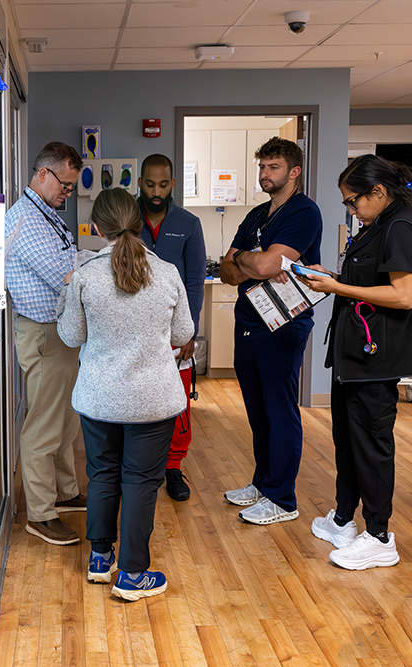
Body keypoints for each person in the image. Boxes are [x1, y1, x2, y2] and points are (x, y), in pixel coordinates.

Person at [57, 188, 193, 601]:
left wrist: (68, 294)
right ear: (137, 221)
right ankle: (133, 574)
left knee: (102, 474)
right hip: (152, 401)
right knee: (141, 481)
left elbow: (71, 335)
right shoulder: (167, 273)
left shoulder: (85, 276)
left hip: (100, 398)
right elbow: (184, 333)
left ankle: (101, 557)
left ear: (97, 228)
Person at [299, 155, 412, 570]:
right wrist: (330, 276)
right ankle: (342, 519)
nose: (351, 210)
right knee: (347, 442)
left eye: (354, 202)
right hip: (352, 357)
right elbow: (366, 280)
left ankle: (379, 535)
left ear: (379, 192)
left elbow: (402, 295)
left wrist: (336, 286)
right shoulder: (375, 226)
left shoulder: (402, 226)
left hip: (377, 361)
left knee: (371, 446)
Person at [219, 137, 322, 524]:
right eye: (262, 166)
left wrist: (247, 259)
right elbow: (228, 271)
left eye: (273, 167)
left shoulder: (304, 213)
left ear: (294, 172)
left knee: (279, 410)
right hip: (248, 323)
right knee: (257, 411)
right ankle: (262, 484)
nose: (265, 173)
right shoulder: (256, 216)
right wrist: (252, 260)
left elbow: (259, 268)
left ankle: (282, 499)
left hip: (282, 326)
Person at [5, 142, 85, 546]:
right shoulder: (26, 221)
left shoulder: (47, 216)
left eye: (71, 188)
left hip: (61, 334)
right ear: (42, 174)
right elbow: (64, 276)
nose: (67, 193)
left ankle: (66, 493)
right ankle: (40, 513)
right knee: (43, 425)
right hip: (42, 334)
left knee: (67, 421)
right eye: (65, 185)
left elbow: (72, 263)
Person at [137, 154, 206, 501]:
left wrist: (189, 331)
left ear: (173, 184)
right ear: (139, 183)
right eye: (150, 184)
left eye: (163, 184)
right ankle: (137, 468)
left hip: (174, 330)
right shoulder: (128, 219)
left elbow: (195, 281)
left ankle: (173, 467)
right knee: (136, 400)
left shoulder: (188, 223)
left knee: (177, 402)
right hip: (134, 331)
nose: (156, 191)